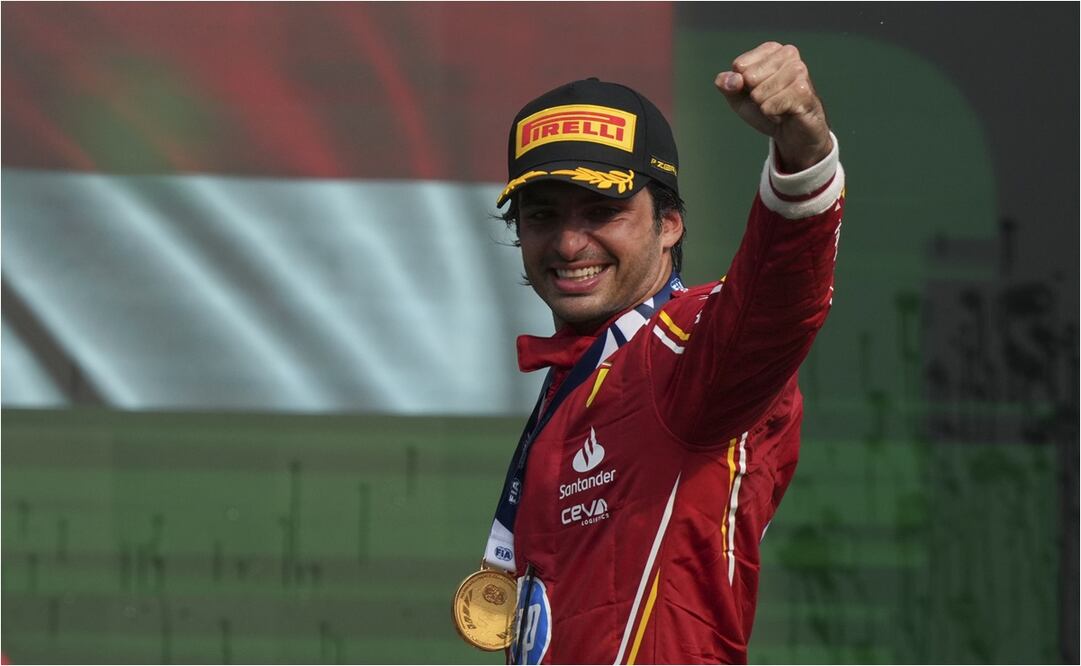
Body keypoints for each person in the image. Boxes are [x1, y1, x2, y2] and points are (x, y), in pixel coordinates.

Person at [460, 42, 845, 664]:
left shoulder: (684, 348)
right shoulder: (573, 380)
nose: (567, 241)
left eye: (602, 210)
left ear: (670, 222)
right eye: (542, 215)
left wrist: (804, 155)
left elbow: (775, 304)